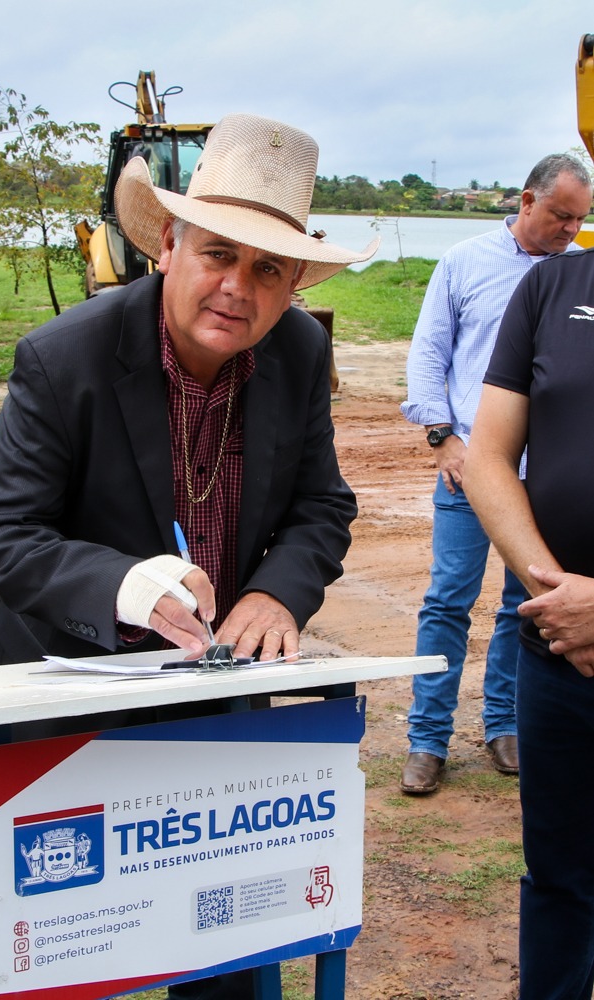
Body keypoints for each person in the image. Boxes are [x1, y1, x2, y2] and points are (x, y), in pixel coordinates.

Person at [0, 112, 375, 999]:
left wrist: (277, 593)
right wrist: (123, 585)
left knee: (225, 947)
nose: (237, 288)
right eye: (217, 254)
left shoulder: (300, 351)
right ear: (167, 246)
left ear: (293, 284)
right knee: (64, 957)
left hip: (216, 697)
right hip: (67, 695)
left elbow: (321, 505)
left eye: (267, 269)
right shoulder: (64, 357)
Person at [398, 153, 592, 795]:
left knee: (526, 607)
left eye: (581, 219)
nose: (570, 229)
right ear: (526, 200)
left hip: (542, 484)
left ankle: (505, 725)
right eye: (561, 215)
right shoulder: (464, 262)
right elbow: (430, 352)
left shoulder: (578, 279)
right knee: (448, 601)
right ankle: (428, 738)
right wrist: (443, 439)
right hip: (467, 471)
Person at [465, 243, 594, 1000]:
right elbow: (487, 458)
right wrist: (561, 605)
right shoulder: (552, 286)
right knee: (558, 877)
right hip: (557, 655)